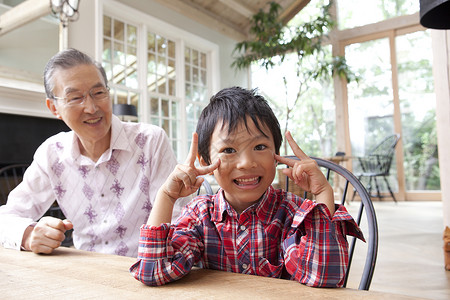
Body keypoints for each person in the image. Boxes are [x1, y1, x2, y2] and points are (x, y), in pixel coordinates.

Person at [129, 86, 364, 287]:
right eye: (229, 150)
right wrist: (166, 196)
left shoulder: (295, 214)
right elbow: (153, 271)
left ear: (277, 154)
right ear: (206, 162)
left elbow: (325, 276)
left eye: (260, 147)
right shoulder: (200, 216)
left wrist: (324, 193)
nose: (247, 163)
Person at [0, 48, 187, 257]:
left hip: (145, 267)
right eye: (75, 97)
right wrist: (28, 236)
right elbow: (7, 217)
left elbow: (177, 221)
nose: (91, 108)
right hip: (85, 273)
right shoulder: (51, 154)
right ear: (53, 108)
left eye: (98, 93)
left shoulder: (150, 141)